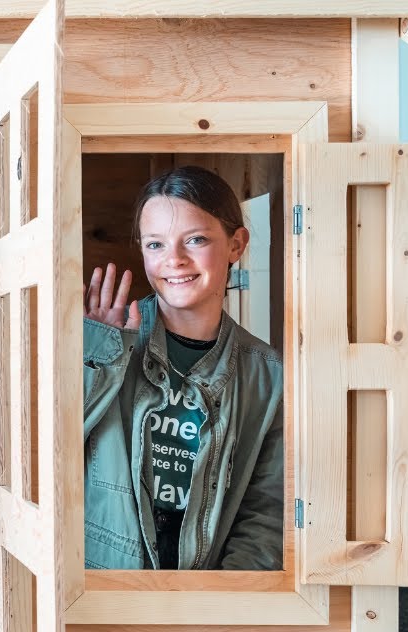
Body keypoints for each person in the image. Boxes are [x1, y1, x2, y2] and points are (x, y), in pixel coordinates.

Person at [82, 165, 283, 571]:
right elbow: (45, 459)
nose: (173, 260)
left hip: (209, 595)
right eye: (155, 244)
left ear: (236, 244)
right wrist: (94, 356)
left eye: (195, 239)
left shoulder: (270, 375)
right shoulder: (106, 342)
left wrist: (221, 602)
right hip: (102, 590)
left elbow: (268, 509)